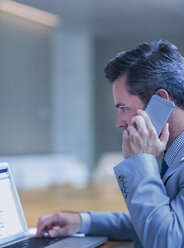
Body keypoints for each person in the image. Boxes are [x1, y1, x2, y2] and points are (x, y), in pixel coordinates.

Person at [36, 40, 184, 247]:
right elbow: (153, 221)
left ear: (160, 101)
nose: (118, 122)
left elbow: (165, 240)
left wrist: (142, 160)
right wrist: (83, 221)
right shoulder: (175, 155)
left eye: (123, 107)